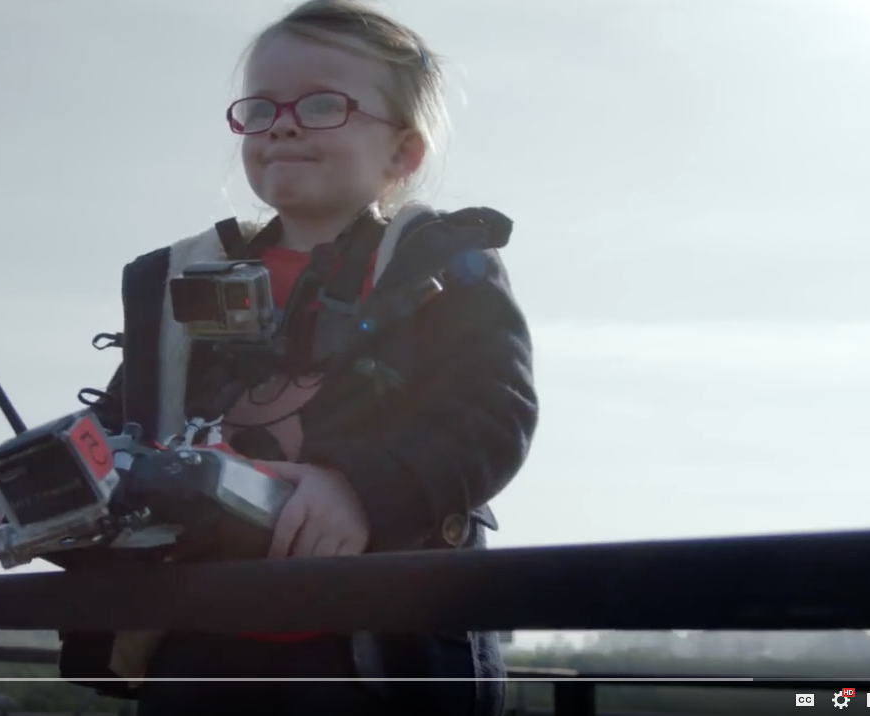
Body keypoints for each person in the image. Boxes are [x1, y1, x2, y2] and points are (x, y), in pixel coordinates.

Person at [51, 1, 539, 714]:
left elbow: (493, 414)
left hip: (375, 650)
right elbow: (135, 423)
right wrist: (66, 486)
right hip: (202, 642)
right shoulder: (178, 280)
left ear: (402, 152)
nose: (281, 123)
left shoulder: (439, 264)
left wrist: (361, 489)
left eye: (321, 104)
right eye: (260, 107)